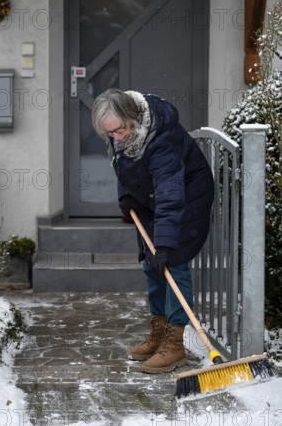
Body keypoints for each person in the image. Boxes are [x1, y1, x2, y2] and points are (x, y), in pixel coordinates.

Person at [91, 89, 214, 374]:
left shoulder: (160, 141)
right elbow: (122, 166)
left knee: (172, 263)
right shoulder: (121, 134)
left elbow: (171, 196)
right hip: (152, 199)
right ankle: (159, 332)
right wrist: (126, 195)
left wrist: (166, 246)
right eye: (110, 134)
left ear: (132, 117)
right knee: (151, 264)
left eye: (120, 130)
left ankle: (174, 344)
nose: (116, 137)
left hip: (185, 199)